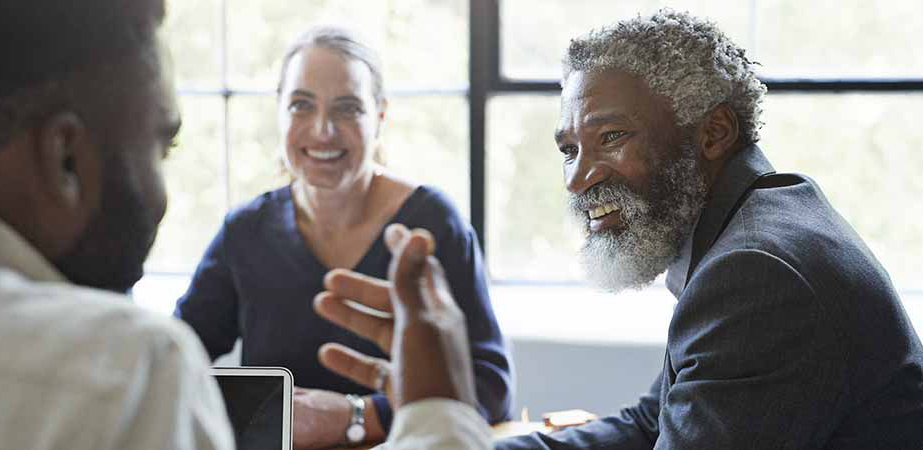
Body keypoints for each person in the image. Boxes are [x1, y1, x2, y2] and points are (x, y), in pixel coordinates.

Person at [315, 9, 923, 450]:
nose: (579, 179)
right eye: (568, 148)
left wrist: (440, 431)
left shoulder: (758, 273)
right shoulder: (746, 231)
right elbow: (647, 423)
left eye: (611, 137)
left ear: (713, 134)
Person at [173, 26, 512, 449]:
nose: (323, 131)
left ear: (381, 115)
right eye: (301, 105)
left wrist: (357, 417)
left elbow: (492, 387)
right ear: (279, 111)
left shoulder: (432, 224)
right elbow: (174, 360)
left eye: (347, 108)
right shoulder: (244, 232)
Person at [0, 1, 233, 449]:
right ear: (65, 159)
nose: (162, 197)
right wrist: (394, 414)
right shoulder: (134, 372)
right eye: (160, 149)